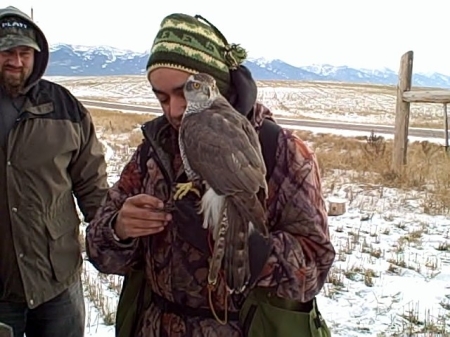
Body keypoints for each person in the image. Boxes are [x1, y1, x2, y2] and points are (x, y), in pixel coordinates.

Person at [86, 13, 336, 337]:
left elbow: (314, 268)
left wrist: (248, 249)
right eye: (161, 97)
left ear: (217, 85)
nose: (174, 109)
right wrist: (120, 229)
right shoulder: (153, 150)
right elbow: (97, 250)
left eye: (184, 93)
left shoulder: (281, 150)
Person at [0, 6, 109, 337]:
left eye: (24, 53)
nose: (16, 62)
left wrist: (111, 235)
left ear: (38, 55)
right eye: (6, 52)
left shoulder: (65, 107)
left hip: (57, 278)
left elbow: (91, 183)